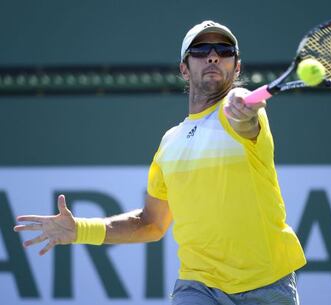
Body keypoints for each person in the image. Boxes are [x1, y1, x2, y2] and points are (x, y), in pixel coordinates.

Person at [14, 20, 306, 305]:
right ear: (184, 68)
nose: (213, 56)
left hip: (267, 285)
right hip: (198, 286)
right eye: (201, 51)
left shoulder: (240, 117)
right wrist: (79, 229)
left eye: (224, 50)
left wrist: (242, 107)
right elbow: (151, 223)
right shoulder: (170, 143)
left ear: (237, 67)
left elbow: (244, 114)